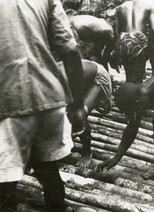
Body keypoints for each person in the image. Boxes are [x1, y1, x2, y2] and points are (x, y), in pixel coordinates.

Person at [0, 0, 86, 211]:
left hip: (11, 99)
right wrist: (77, 106)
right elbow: (72, 51)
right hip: (49, 95)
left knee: (4, 180)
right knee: (47, 167)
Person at [59, 59, 112, 167]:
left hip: (97, 76)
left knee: (78, 115)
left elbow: (76, 111)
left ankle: (87, 153)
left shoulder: (58, 83)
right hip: (78, 78)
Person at [113, 0, 154, 77]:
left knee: (129, 75)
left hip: (124, 39)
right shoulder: (148, 7)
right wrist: (150, 49)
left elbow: (116, 32)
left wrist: (117, 52)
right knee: (138, 79)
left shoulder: (119, 8)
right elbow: (153, 29)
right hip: (138, 39)